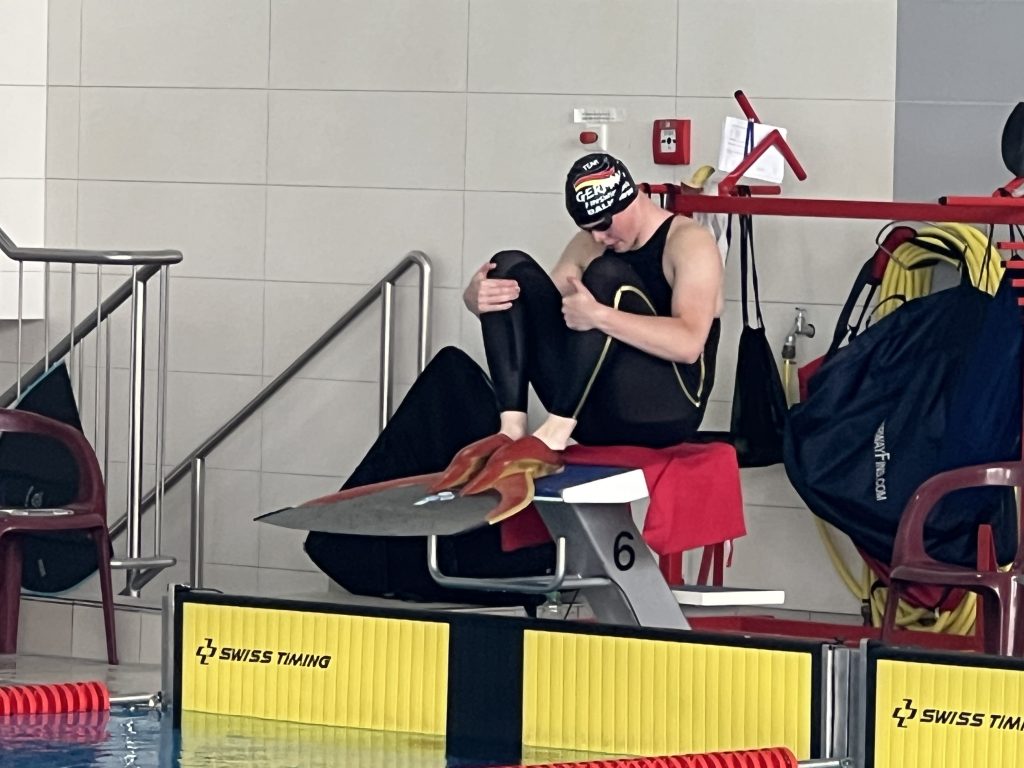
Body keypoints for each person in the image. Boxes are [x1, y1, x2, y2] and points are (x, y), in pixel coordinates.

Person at [433, 152, 725, 519]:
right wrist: (477, 299)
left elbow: (689, 344)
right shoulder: (591, 242)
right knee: (508, 268)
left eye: (603, 225)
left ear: (632, 199)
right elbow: (539, 315)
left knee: (605, 276)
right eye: (588, 229)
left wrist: (600, 316)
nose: (599, 237)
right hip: (596, 416)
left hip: (667, 410)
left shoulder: (688, 242)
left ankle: (555, 431)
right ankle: (511, 428)